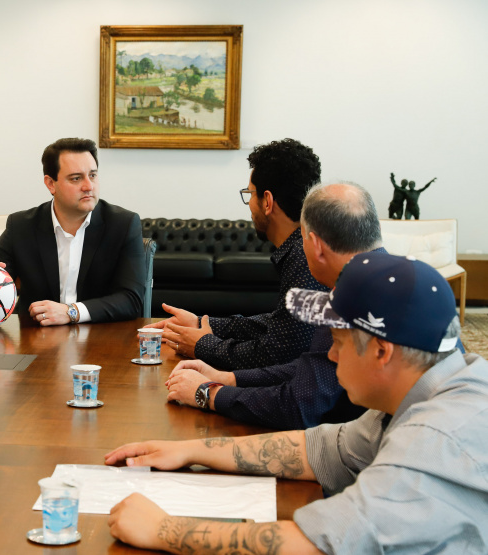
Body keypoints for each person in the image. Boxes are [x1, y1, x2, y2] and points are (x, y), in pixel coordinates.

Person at [105, 251, 487, 554]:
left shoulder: (437, 437)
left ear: (382, 351)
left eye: (336, 343)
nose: (330, 356)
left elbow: (320, 544)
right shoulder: (431, 390)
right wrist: (187, 451)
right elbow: (321, 448)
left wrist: (162, 529)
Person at [165, 183, 383, 429]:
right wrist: (227, 378)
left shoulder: (348, 298)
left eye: (301, 240)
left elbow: (298, 406)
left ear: (315, 244)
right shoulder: (384, 276)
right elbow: (314, 367)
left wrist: (207, 394)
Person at [148, 138, 327, 369]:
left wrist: (202, 345)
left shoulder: (306, 258)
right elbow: (280, 325)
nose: (249, 204)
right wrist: (203, 323)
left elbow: (275, 355)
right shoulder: (299, 248)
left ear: (267, 202)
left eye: (250, 193)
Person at [0, 138, 145, 326]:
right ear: (51, 184)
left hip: (102, 340)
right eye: (76, 178)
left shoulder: (123, 224)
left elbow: (132, 300)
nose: (89, 186)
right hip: (36, 342)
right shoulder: (21, 226)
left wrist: (72, 312)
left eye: (93, 175)